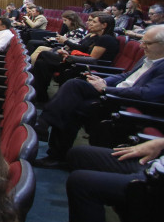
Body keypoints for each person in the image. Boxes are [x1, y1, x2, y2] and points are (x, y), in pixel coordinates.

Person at [34, 25, 164, 167]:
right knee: (72, 101)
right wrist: (104, 81)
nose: (141, 46)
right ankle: (55, 150)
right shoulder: (149, 57)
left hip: (127, 101)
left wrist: (106, 89)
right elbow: (126, 76)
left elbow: (146, 94)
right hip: (114, 93)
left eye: (147, 43)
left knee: (74, 89)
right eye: (142, 41)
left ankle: (45, 125)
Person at [31, 12, 119, 101]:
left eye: (94, 22)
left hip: (89, 67)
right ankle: (41, 95)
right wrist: (69, 54)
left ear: (104, 25)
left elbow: (93, 59)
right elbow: (85, 53)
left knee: (44, 54)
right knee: (41, 63)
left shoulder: (106, 38)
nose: (90, 23)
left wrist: (70, 57)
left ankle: (38, 93)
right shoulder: (99, 37)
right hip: (79, 61)